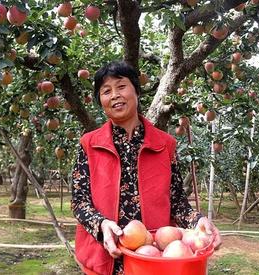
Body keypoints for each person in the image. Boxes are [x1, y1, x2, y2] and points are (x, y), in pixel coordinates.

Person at [71, 61, 221, 275]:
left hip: (154, 260)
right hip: (105, 258)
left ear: (136, 91)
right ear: (101, 101)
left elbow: (177, 202)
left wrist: (199, 221)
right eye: (106, 91)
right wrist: (102, 225)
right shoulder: (89, 144)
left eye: (121, 87)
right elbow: (79, 202)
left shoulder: (164, 145)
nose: (114, 95)